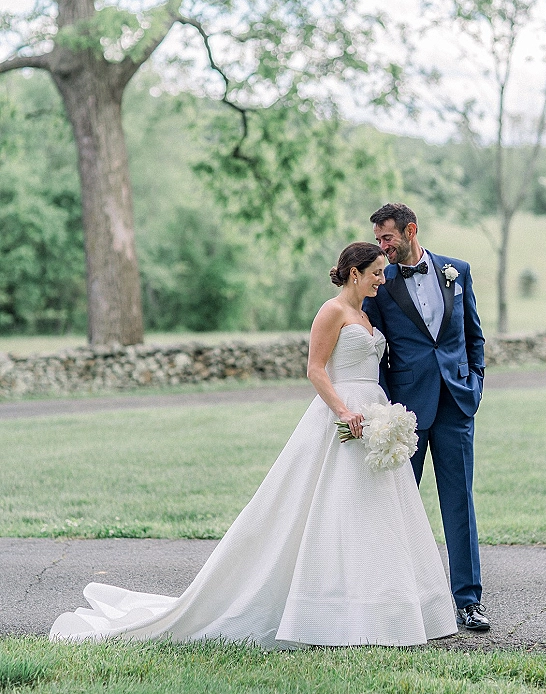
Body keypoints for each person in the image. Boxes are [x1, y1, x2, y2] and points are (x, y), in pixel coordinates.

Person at [50, 242, 457, 647]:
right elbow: (315, 369)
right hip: (343, 418)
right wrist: (341, 410)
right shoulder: (331, 312)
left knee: (376, 514)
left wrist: (383, 417)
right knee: (332, 509)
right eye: (376, 273)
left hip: (374, 416)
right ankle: (327, 608)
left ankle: (385, 610)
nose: (381, 280)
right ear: (355, 273)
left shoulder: (366, 316)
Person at [362, 203, 489, 631]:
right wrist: (383, 405)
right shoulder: (382, 283)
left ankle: (468, 601)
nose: (382, 247)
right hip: (406, 409)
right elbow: (377, 348)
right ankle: (396, 598)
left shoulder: (458, 271)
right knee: (400, 503)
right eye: (378, 239)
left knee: (460, 504)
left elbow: (474, 336)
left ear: (410, 230)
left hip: (456, 402)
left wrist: (475, 386)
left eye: (387, 238)